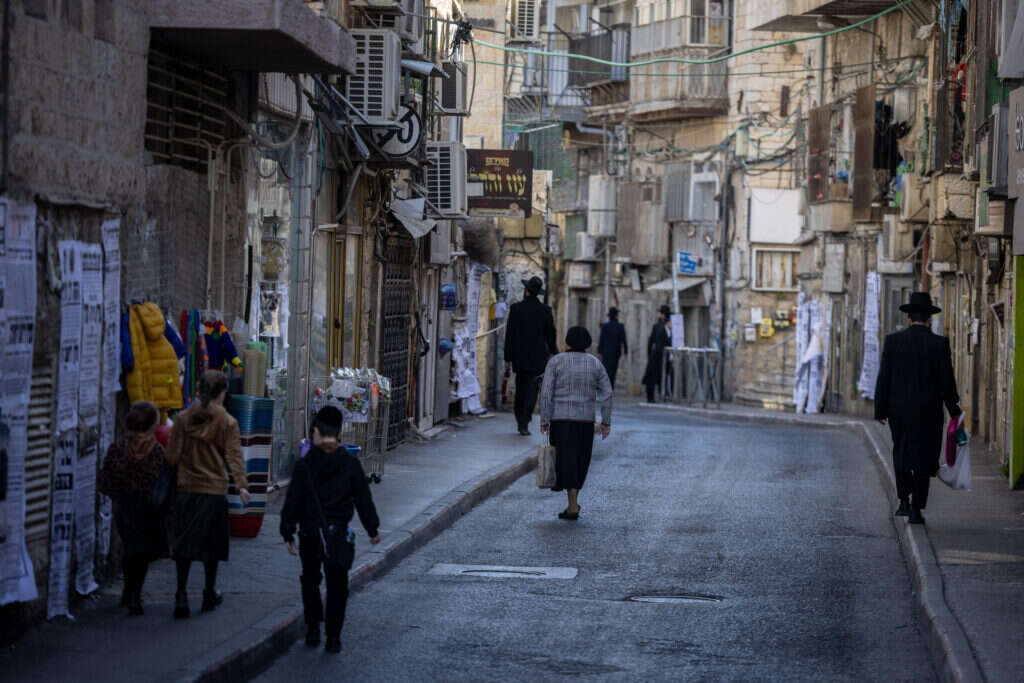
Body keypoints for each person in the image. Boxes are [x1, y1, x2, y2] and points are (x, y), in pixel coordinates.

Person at [281, 406, 381, 654]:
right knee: (338, 585)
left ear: (315, 431)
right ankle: (333, 637)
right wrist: (372, 529)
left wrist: (288, 531)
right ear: (339, 433)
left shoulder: (305, 465)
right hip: (337, 533)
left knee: (310, 579)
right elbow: (363, 499)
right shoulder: (350, 464)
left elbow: (293, 501)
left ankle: (313, 629)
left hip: (309, 532)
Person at [165, 370, 250, 618]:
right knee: (212, 546)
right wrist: (242, 485)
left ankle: (181, 594)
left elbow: (172, 457)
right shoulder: (227, 423)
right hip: (214, 490)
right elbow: (234, 456)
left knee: (184, 545)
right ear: (222, 393)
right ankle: (209, 592)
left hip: (187, 487)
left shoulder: (182, 420)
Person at [874, 292, 961, 525]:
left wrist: (880, 410)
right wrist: (955, 411)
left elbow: (884, 378)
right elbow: (946, 382)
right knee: (924, 456)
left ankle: (903, 500)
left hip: (899, 411)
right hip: (928, 412)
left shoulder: (893, 342)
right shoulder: (939, 344)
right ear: (929, 319)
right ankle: (916, 509)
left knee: (901, 452)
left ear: (908, 317)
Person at [98, 401, 168, 616]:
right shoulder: (156, 450)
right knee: (141, 552)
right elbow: (161, 480)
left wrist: (117, 494)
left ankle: (129, 591)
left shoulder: (119, 447)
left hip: (124, 504)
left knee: (130, 547)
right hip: (146, 507)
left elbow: (106, 478)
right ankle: (134, 593)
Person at [539, 326, 613, 520]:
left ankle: (572, 506)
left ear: (567, 341)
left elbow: (546, 392)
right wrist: (606, 421)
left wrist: (545, 419)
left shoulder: (556, 362)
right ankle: (573, 504)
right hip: (585, 421)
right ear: (588, 343)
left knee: (565, 460)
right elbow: (607, 393)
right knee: (580, 460)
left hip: (560, 420)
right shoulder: (595, 364)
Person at [504, 275, 557, 435]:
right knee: (532, 390)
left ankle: (520, 418)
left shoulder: (516, 309)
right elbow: (551, 335)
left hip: (519, 358)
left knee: (521, 388)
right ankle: (525, 421)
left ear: (526, 291)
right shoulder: (545, 311)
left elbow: (510, 335)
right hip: (538, 358)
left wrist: (507, 358)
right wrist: (554, 353)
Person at [642, 305, 672, 403]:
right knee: (653, 376)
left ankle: (662, 395)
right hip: (657, 355)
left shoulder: (663, 326)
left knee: (661, 376)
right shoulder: (659, 326)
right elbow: (651, 341)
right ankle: (653, 397)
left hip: (660, 355)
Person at [596, 307, 628, 389]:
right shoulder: (620, 326)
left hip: (606, 351)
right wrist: (625, 351)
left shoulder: (605, 326)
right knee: (613, 369)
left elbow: (601, 339)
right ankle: (611, 385)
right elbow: (624, 339)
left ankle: (606, 385)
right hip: (616, 351)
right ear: (616, 316)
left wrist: (599, 351)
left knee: (606, 368)